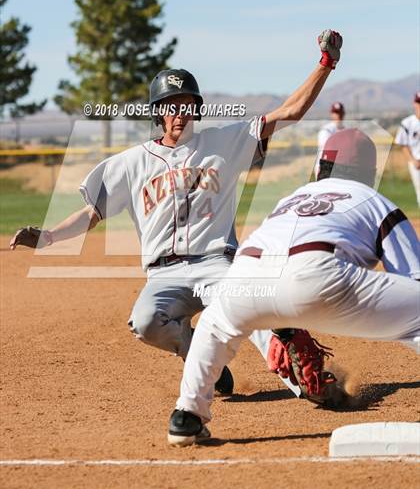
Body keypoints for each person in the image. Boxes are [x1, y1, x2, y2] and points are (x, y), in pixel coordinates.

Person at [10, 30, 343, 402]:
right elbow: (93, 212)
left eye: (186, 105)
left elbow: (290, 112)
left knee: (250, 305)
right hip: (163, 273)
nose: (179, 113)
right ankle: (197, 356)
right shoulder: (132, 163)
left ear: (196, 110)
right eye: (171, 105)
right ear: (158, 113)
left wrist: (325, 64)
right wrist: (50, 237)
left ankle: (305, 381)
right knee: (146, 322)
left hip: (217, 263)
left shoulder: (224, 142)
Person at [168, 128, 420, 447]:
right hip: (320, 274)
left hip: (246, 276)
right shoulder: (373, 200)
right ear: (370, 174)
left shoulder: (292, 198)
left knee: (215, 325)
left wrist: (280, 324)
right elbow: (413, 277)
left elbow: (278, 263)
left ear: (319, 168)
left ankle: (186, 415)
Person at [395, 93, 420, 208]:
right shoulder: (407, 123)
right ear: (415, 104)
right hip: (416, 163)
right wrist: (413, 160)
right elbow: (403, 144)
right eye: (418, 102)